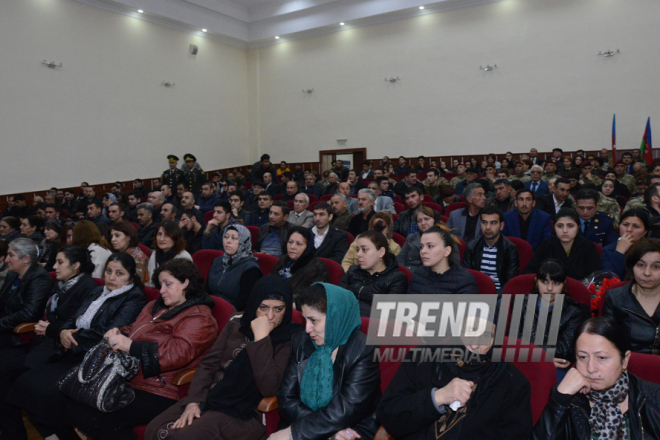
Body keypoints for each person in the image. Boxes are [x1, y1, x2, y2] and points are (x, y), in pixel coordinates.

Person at [55, 259, 217, 440]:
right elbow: (132, 329)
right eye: (160, 284)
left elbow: (175, 354)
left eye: (168, 284)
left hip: (160, 389)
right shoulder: (154, 306)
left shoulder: (199, 317)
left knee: (97, 418)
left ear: (186, 282)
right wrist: (119, 332)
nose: (161, 290)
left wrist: (129, 346)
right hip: (128, 376)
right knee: (69, 405)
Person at [6, 253, 146, 440]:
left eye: (119, 273)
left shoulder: (134, 299)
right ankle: (51, 435)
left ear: (131, 276)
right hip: (71, 349)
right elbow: (74, 318)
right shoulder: (98, 291)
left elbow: (107, 333)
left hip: (93, 359)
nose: (112, 277)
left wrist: (70, 335)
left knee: (40, 391)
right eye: (109, 271)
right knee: (25, 384)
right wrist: (63, 331)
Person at [146, 274, 301, 439]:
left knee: (183, 437)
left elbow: (269, 387)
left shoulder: (290, 338)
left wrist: (261, 339)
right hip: (212, 396)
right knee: (154, 430)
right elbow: (209, 364)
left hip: (246, 411)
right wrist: (194, 401)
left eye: (278, 309)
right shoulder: (237, 322)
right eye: (263, 307)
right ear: (254, 303)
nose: (270, 316)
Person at [378, 317, 533, 440]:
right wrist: (437, 398)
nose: (475, 344)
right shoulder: (422, 359)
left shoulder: (512, 381)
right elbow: (389, 417)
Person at [0, 245, 96, 440]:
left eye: (60, 262)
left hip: (59, 350)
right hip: (43, 342)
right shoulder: (63, 283)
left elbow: (75, 325)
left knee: (16, 379)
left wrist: (50, 328)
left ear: (76, 266)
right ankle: (13, 431)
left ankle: (25, 433)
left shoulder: (86, 288)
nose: (54, 266)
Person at [272, 283, 381, 440]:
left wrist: (293, 433)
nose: (308, 329)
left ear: (336, 319)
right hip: (317, 425)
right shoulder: (302, 342)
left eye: (314, 320)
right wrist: (329, 432)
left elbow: (347, 409)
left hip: (353, 428)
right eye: (305, 320)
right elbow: (286, 400)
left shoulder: (364, 350)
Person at [533, 316, 660, 440]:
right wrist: (560, 400)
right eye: (583, 357)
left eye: (602, 358)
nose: (591, 368)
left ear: (625, 360)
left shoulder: (654, 398)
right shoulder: (567, 396)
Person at [518, 260, 590, 374]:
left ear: (564, 284)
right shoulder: (523, 304)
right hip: (524, 361)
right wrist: (541, 358)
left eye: (556, 283)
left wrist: (530, 350)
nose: (550, 288)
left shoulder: (573, 312)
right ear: (536, 282)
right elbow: (515, 341)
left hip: (556, 367)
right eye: (544, 282)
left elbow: (563, 350)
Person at [601, 239, 660, 354]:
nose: (647, 273)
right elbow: (606, 341)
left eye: (656, 267)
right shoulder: (615, 298)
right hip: (629, 365)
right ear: (631, 268)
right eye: (641, 265)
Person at [339, 230, 408, 316]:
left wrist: (351, 306)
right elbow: (337, 298)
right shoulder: (353, 270)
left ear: (381, 252)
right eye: (358, 250)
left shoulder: (397, 278)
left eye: (364, 250)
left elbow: (385, 313)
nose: (358, 254)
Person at [0, 238, 53, 348]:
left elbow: (29, 313)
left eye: (11, 255)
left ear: (26, 258)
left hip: (17, 333)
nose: (6, 260)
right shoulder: (12, 274)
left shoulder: (40, 278)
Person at [524, 208, 601, 280]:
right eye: (560, 226)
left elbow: (596, 278)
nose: (565, 230)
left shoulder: (588, 247)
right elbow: (529, 271)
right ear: (554, 227)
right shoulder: (547, 244)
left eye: (570, 226)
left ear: (578, 227)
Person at [462, 206, 519, 293]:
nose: (488, 227)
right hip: (476, 292)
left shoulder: (510, 249)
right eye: (484, 223)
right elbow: (466, 277)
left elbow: (510, 283)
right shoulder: (471, 247)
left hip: (500, 294)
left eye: (493, 223)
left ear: (501, 226)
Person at [206, 224, 262, 311]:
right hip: (210, 307)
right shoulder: (217, 261)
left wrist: (222, 309)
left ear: (243, 241)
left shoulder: (250, 268)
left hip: (232, 313)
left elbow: (245, 303)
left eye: (234, 238)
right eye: (226, 237)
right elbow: (207, 290)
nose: (228, 241)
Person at [408, 226, 479, 295]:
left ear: (447, 251)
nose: (423, 251)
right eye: (421, 247)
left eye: (430, 246)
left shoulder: (465, 281)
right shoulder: (418, 274)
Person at [271, 227, 329, 302]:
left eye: (299, 244)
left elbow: (316, 298)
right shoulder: (283, 260)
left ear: (308, 247)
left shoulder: (317, 267)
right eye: (290, 242)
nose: (292, 247)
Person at [601, 209, 649, 278]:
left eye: (636, 226)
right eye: (625, 225)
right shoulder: (608, 250)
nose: (629, 229)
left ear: (645, 232)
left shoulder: (653, 248)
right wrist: (619, 253)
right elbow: (610, 279)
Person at [146, 221, 193, 285]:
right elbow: (150, 282)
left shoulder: (183, 257)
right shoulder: (155, 254)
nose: (161, 239)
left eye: (167, 235)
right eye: (159, 234)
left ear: (175, 238)